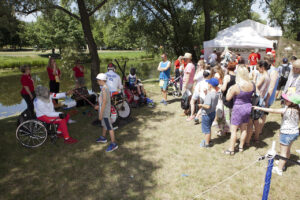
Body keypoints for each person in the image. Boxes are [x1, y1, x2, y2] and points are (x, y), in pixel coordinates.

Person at [253, 91, 299, 175]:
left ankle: (280, 169)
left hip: (286, 134)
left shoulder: (286, 110)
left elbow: (273, 110)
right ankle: (283, 163)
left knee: (283, 152)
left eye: (287, 100)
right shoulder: (297, 109)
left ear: (292, 102)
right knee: (287, 150)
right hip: (294, 133)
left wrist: (260, 108)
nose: (284, 100)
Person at [224, 67, 255, 155]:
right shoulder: (251, 84)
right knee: (244, 128)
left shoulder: (236, 86)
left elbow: (227, 98)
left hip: (238, 108)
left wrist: (229, 90)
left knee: (233, 130)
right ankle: (241, 147)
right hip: (248, 107)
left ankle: (231, 149)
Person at [246, 61, 270, 144]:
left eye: (258, 68)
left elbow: (255, 86)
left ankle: (250, 139)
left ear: (262, 68)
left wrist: (254, 78)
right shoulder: (268, 76)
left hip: (257, 99)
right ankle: (256, 138)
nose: (258, 69)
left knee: (253, 121)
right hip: (262, 98)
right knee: (256, 120)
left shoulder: (263, 76)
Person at [95, 73, 118, 152]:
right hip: (103, 109)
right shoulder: (104, 87)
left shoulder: (104, 89)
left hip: (104, 111)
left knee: (109, 127)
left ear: (101, 80)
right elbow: (104, 101)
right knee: (104, 124)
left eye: (98, 80)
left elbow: (104, 101)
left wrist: (101, 113)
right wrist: (99, 106)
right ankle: (103, 137)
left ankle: (113, 144)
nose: (97, 82)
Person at [199, 78, 219, 148]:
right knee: (209, 127)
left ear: (210, 85)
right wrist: (206, 93)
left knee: (206, 130)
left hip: (206, 114)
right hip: (212, 112)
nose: (207, 84)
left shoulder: (209, 95)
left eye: (208, 83)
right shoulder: (216, 94)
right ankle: (209, 140)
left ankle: (206, 144)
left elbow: (207, 106)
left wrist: (201, 105)